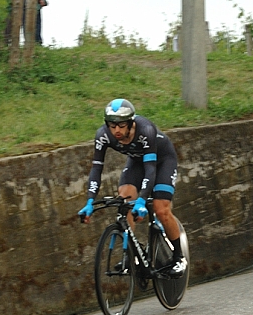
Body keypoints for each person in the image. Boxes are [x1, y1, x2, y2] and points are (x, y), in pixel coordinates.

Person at [78, 99, 186, 279]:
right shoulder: (103, 136)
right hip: (137, 161)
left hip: (162, 160)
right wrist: (89, 201)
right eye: (112, 126)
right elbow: (96, 169)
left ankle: (178, 257)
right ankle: (131, 255)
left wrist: (143, 200)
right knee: (124, 199)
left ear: (131, 123)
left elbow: (150, 169)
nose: (117, 131)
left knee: (161, 209)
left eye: (121, 125)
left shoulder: (145, 130)